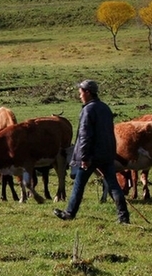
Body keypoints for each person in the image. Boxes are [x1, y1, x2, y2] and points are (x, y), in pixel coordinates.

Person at [53, 79, 130, 224]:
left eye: (81, 92)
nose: (79, 95)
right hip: (106, 154)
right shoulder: (105, 108)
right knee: (113, 185)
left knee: (79, 185)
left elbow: (85, 136)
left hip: (91, 155)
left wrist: (84, 157)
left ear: (87, 92)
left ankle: (69, 213)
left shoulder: (87, 110)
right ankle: (123, 216)